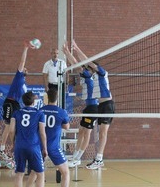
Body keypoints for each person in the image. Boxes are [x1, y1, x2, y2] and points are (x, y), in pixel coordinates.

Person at [66, 40, 115, 169]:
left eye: (90, 68)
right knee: (88, 132)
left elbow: (84, 62)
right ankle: (84, 158)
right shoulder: (91, 77)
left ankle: (94, 159)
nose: (87, 69)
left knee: (98, 133)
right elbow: (79, 65)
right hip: (99, 106)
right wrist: (68, 53)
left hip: (105, 105)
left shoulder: (102, 73)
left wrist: (76, 49)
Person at [62, 41, 99, 168]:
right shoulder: (88, 77)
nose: (83, 70)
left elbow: (77, 65)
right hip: (88, 108)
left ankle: (78, 158)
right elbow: (79, 65)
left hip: (94, 108)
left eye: (86, 69)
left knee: (87, 132)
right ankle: (75, 157)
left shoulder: (89, 77)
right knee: (81, 130)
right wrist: (68, 52)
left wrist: (67, 52)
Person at [0, 42, 32, 161]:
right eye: (24, 68)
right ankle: (2, 149)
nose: (25, 68)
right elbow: (22, 62)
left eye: (26, 69)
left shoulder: (24, 86)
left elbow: (29, 97)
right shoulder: (19, 76)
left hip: (16, 105)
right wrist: (25, 48)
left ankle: (15, 148)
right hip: (9, 102)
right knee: (8, 126)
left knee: (15, 128)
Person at [9, 91, 48, 187]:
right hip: (33, 147)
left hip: (19, 146)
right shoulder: (39, 113)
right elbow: (42, 133)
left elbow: (11, 131)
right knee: (40, 174)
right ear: (34, 102)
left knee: (19, 174)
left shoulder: (16, 113)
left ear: (23, 101)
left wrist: (13, 144)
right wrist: (45, 148)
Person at [40, 89, 70, 187]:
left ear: (47, 98)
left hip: (39, 146)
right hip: (53, 147)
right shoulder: (61, 112)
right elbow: (67, 127)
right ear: (57, 99)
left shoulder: (40, 110)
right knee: (65, 173)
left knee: (37, 174)